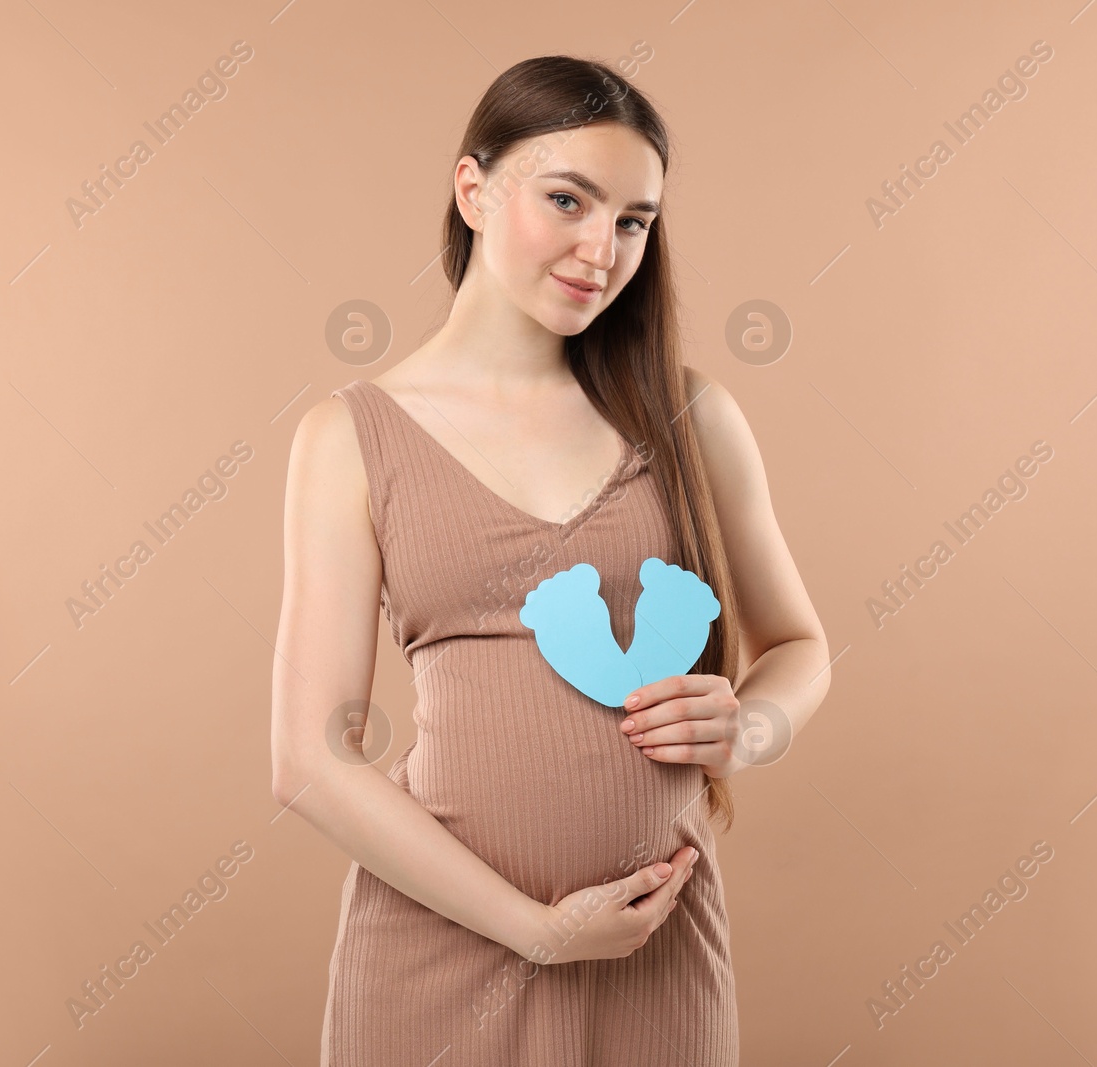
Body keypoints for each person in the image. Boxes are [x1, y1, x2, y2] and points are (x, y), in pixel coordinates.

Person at [270, 54, 831, 1066]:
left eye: (632, 220)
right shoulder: (347, 437)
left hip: (650, 939)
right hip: (433, 950)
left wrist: (750, 724)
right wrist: (535, 928)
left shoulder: (690, 417)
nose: (599, 248)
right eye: (566, 199)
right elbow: (310, 759)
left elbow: (799, 644)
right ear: (473, 190)